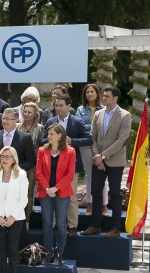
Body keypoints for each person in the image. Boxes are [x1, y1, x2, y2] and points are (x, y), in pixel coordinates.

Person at [81, 87, 132, 239]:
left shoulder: (125, 115)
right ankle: (95, 225)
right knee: (96, 192)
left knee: (115, 194)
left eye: (107, 96)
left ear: (115, 98)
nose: (103, 98)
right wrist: (97, 156)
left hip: (115, 161)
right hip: (98, 160)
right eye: (103, 95)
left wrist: (102, 156)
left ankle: (116, 227)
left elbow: (122, 140)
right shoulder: (98, 114)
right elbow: (93, 137)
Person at [0, 108, 36, 249]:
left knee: (16, 222)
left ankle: (20, 252)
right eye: (3, 119)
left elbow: (31, 160)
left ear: (16, 121)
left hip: (16, 183)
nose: (5, 121)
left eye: (9, 119)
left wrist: (14, 169)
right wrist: (0, 168)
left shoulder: (25, 137)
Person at [44, 94, 92, 237]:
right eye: (56, 106)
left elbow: (88, 139)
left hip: (71, 166)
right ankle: (52, 225)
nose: (58, 108)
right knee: (52, 194)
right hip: (52, 166)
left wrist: (72, 141)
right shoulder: (50, 121)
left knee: (70, 197)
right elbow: (42, 139)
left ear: (68, 106)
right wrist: (50, 142)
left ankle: (72, 226)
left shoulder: (77, 122)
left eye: (61, 105)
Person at [36, 124, 75, 265]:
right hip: (45, 192)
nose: (49, 136)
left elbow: (70, 175)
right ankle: (48, 253)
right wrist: (47, 188)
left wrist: (56, 188)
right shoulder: (42, 150)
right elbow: (38, 173)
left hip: (62, 192)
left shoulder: (70, 151)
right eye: (48, 133)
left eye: (52, 133)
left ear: (60, 135)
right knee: (47, 223)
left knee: (61, 224)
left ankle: (59, 253)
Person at [76, 83, 107, 217]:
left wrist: (91, 127)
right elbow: (80, 126)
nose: (90, 94)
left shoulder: (104, 109)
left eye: (92, 92)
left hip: (101, 145)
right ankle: (89, 205)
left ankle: (104, 206)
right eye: (87, 92)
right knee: (89, 176)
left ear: (97, 94)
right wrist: (94, 126)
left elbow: (105, 126)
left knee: (102, 175)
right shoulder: (80, 109)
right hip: (86, 144)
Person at [17, 102, 45, 232]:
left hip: (33, 164)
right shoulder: (17, 127)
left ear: (35, 114)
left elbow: (42, 147)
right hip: (18, 164)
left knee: (29, 192)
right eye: (25, 111)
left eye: (29, 112)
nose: (26, 114)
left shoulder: (40, 128)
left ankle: (26, 220)